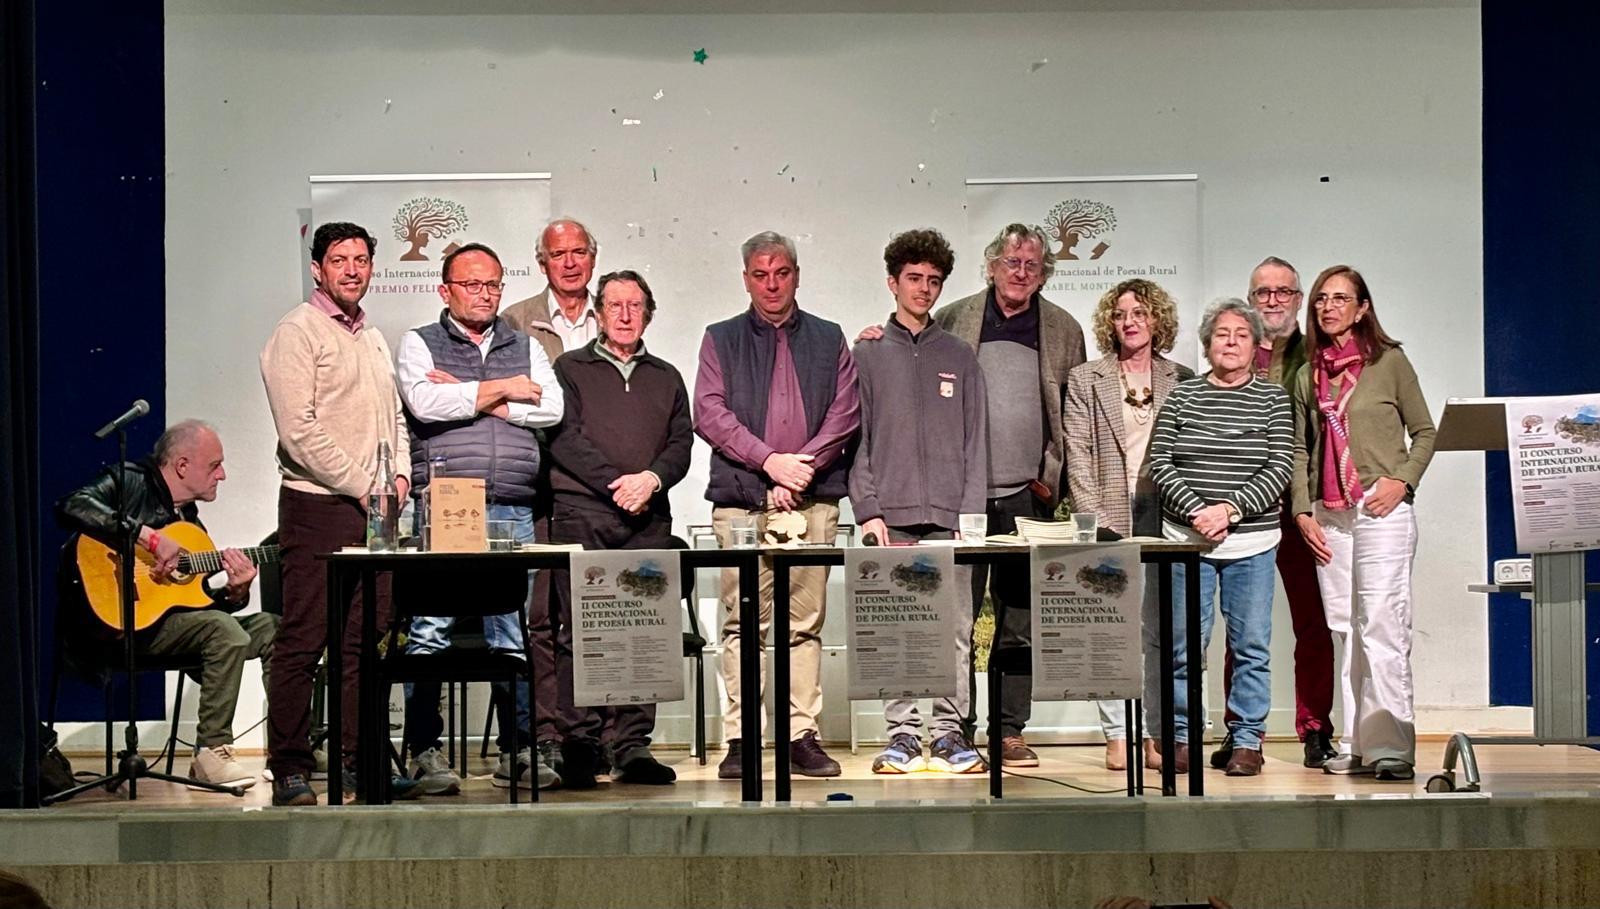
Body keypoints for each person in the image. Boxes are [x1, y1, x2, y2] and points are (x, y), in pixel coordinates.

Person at [395, 242, 564, 794]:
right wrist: (505, 390)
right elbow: (425, 404)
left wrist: (471, 394)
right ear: (445, 290)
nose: (484, 294)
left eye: (492, 285)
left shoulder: (526, 345)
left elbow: (552, 407)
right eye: (472, 285)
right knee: (429, 630)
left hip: (514, 503)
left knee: (511, 633)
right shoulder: (419, 342)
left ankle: (516, 750)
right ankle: (424, 750)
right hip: (447, 501)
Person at [259, 221, 418, 805]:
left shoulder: (371, 336)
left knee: (362, 641)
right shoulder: (297, 332)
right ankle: (291, 769)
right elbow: (298, 431)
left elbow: (395, 419)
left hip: (376, 511)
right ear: (317, 269)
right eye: (339, 259)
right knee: (303, 640)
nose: (352, 269)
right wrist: (362, 486)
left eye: (360, 259)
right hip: (317, 507)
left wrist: (399, 475)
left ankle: (357, 760)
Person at [694, 230, 860, 780]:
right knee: (742, 624)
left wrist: (800, 467)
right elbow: (710, 413)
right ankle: (742, 738)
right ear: (745, 279)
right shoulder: (719, 338)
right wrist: (770, 464)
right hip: (743, 502)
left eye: (781, 272)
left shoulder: (830, 337)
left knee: (803, 625)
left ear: (796, 274)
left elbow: (845, 413)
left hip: (813, 501)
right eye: (760, 274)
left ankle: (800, 736)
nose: (771, 283)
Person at [933, 223, 1086, 767]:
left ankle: (1009, 729)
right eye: (1012, 262)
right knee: (956, 618)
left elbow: (1073, 412)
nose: (1022, 273)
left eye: (1033, 265)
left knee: (1020, 618)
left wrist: (1055, 485)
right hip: (963, 496)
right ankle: (955, 728)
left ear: (1044, 272)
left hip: (1030, 495)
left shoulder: (1063, 328)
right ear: (992, 265)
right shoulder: (953, 318)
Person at [55, 420, 276, 790]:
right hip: (115, 627)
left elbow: (198, 606)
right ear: (182, 465)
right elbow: (70, 505)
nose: (222, 475)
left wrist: (236, 592)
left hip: (168, 629)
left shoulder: (190, 524)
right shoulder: (130, 480)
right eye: (214, 465)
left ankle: (290, 749)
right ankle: (211, 752)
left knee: (274, 627)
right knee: (224, 632)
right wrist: (148, 538)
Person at [545, 269, 694, 788]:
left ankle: (631, 745)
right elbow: (564, 438)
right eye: (614, 306)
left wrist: (649, 481)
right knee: (579, 633)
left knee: (644, 632)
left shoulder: (667, 376)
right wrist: (618, 485)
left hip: (649, 518)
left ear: (648, 312)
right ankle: (580, 744)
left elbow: (681, 446)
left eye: (635, 306)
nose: (625, 315)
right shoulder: (569, 368)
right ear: (599, 313)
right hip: (584, 512)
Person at [850, 229, 989, 775]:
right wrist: (870, 511)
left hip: (950, 521)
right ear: (893, 282)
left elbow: (976, 440)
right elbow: (853, 440)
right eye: (914, 279)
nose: (924, 289)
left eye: (934, 281)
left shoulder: (959, 355)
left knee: (954, 632)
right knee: (898, 629)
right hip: (891, 520)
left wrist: (969, 517)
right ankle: (903, 736)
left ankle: (951, 735)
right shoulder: (866, 353)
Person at [1291, 265, 1435, 782]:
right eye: (1321, 300)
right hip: (1330, 514)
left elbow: (1424, 431)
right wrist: (1302, 509)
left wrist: (1403, 482)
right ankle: (1356, 743)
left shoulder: (1390, 363)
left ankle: (1391, 746)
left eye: (1340, 299)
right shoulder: (1309, 374)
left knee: (1382, 625)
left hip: (1380, 506)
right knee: (1344, 632)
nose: (1329, 307)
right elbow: (1297, 449)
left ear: (1362, 308)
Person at [1148, 298, 1293, 777]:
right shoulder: (1184, 396)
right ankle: (1184, 736)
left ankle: (1247, 740)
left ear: (1256, 345)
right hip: (1185, 540)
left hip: (1251, 542)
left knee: (1250, 645)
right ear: (1207, 343)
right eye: (1221, 334)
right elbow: (1161, 464)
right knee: (1184, 646)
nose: (1230, 342)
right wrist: (1195, 511)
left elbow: (1280, 468)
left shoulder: (1273, 399)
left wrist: (1229, 510)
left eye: (1241, 335)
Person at [1212, 257, 1339, 772]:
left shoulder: (1320, 355)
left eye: (1283, 292)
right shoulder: (1233, 353)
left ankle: (1315, 729)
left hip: (1305, 510)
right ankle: (1243, 734)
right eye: (1262, 292)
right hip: (1246, 512)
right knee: (1244, 630)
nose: (1272, 301)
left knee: (1315, 624)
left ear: (1298, 298)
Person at [1063, 279, 1193, 771]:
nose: (1130, 321)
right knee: (1110, 631)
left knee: (1161, 631)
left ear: (1157, 319)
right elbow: (1078, 453)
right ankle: (1117, 736)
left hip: (1167, 514)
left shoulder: (1181, 377)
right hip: (1108, 516)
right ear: (1109, 323)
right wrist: (1093, 521)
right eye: (1120, 314)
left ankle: (1158, 734)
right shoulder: (1086, 379)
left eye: (1140, 312)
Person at [498, 216, 600, 769]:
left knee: (592, 616)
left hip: (597, 495)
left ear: (592, 257)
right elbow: (514, 410)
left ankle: (588, 737)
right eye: (558, 254)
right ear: (542, 263)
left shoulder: (611, 315)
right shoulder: (516, 322)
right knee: (536, 618)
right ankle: (540, 736)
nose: (569, 262)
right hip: (536, 488)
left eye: (579, 252)